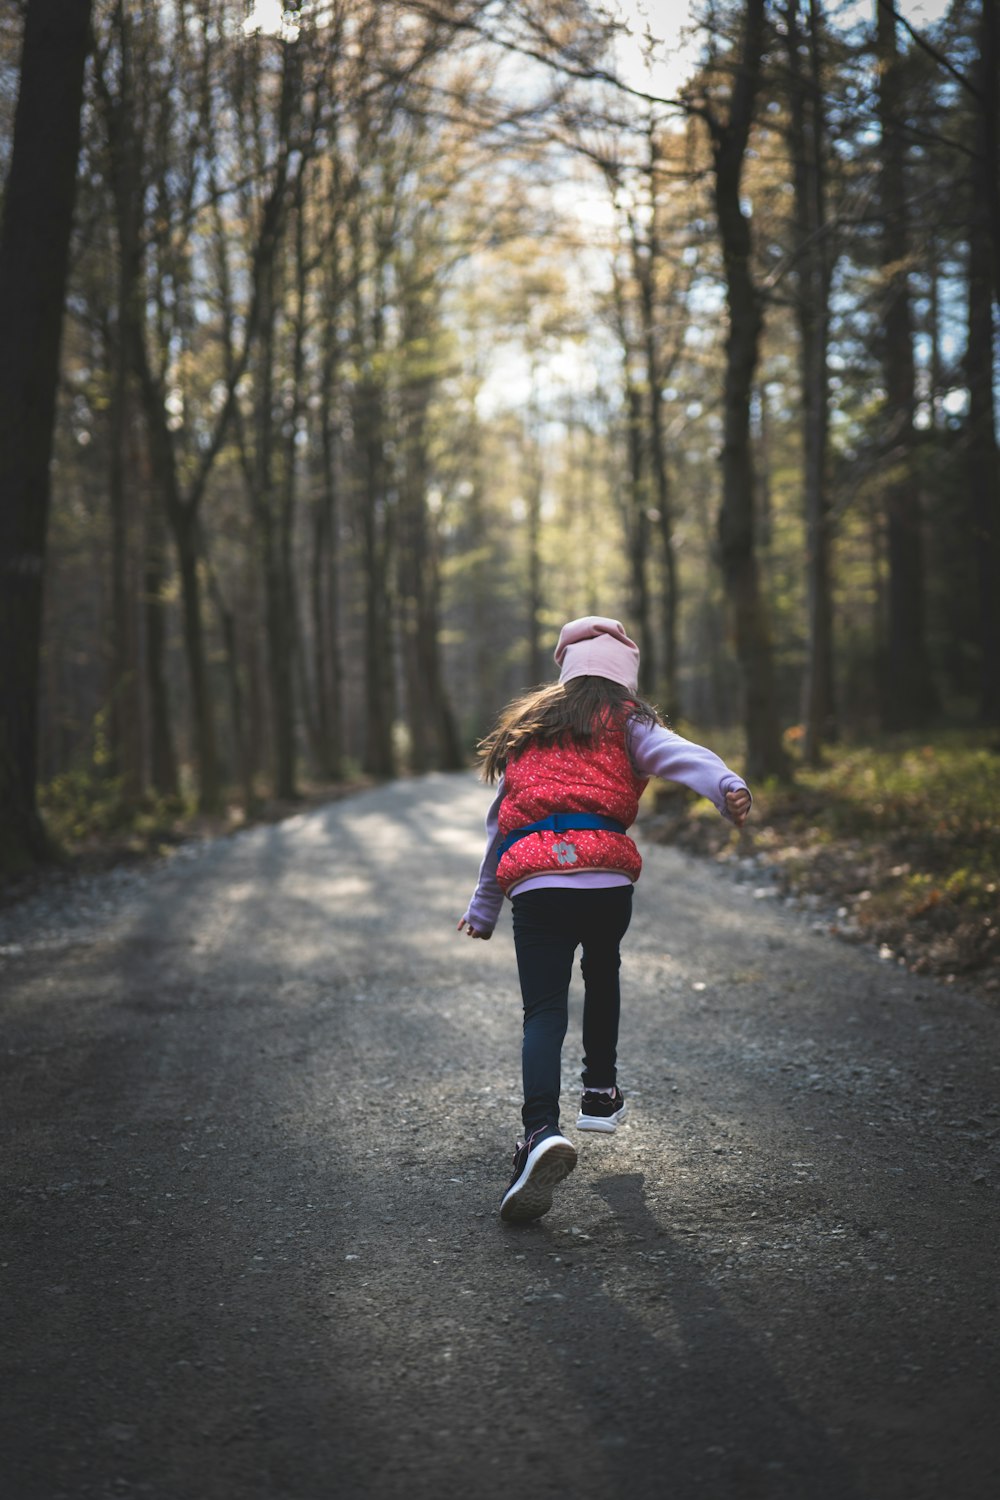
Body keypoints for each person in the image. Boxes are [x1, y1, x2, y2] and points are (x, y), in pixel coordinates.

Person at [457, 616, 751, 1224]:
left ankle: (540, 1132)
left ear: (565, 671)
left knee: (542, 1010)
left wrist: (485, 904)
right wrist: (724, 784)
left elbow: (501, 822)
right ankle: (599, 1091)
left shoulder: (532, 730)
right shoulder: (628, 721)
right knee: (604, 970)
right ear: (626, 680)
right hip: (606, 877)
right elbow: (679, 754)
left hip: (535, 880)